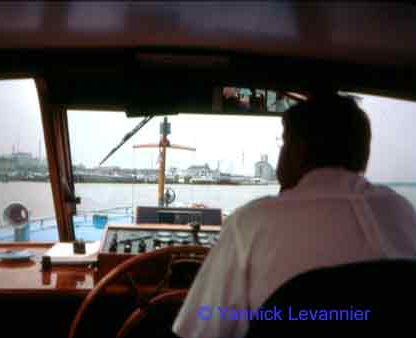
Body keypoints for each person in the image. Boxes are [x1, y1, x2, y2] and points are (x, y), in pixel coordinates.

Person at [172, 93, 416, 338]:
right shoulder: (402, 211)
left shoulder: (250, 223)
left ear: (297, 151)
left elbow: (200, 329)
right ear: (362, 154)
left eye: (283, 142)